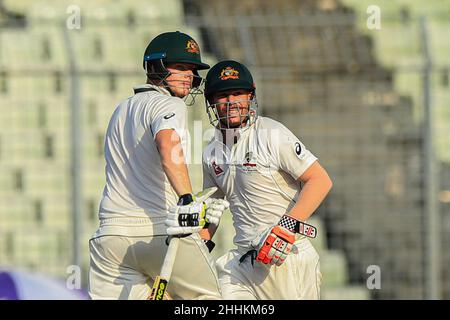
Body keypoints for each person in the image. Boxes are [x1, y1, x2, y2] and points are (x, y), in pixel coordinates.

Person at [88, 31, 229, 300]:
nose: (189, 75)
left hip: (110, 237)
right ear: (156, 67)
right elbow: (167, 144)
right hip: (155, 230)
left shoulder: (121, 109)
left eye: (192, 69)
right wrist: (188, 200)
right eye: (181, 67)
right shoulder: (170, 104)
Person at [201, 60, 333, 299]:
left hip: (287, 258)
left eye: (237, 93)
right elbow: (212, 209)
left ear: (250, 97)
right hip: (241, 264)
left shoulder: (271, 134)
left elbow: (320, 180)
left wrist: (286, 228)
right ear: (211, 102)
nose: (231, 102)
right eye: (222, 95)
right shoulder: (211, 152)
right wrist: (196, 248)